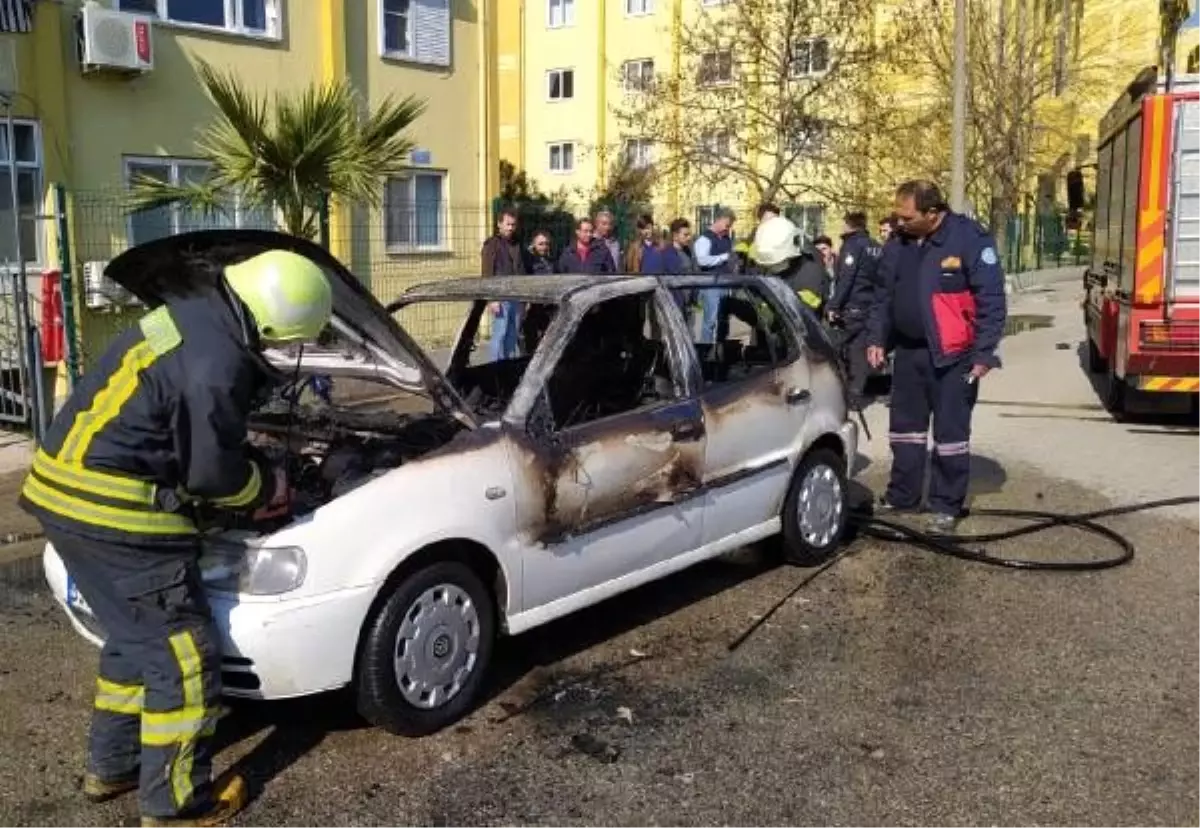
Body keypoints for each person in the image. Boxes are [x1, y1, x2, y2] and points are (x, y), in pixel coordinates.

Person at [19, 249, 334, 826]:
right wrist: (266, 485)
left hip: (59, 490)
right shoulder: (217, 361)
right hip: (114, 512)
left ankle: (112, 767)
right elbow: (211, 476)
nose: (280, 354)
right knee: (184, 656)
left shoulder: (191, 312)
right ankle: (174, 805)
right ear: (270, 322)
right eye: (286, 342)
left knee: (135, 637)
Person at [866, 180, 1007, 533]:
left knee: (950, 435)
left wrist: (984, 352)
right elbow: (882, 295)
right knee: (905, 431)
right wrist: (877, 338)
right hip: (910, 353)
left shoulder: (969, 238)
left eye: (907, 217)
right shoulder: (897, 243)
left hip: (954, 356)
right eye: (897, 216)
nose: (899, 223)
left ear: (932, 213)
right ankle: (903, 496)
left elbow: (991, 299)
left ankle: (946, 505)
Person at [826, 211, 884, 408]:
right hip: (871, 306)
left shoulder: (852, 245)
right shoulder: (876, 247)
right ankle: (860, 394)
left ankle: (836, 393)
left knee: (830, 347)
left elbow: (846, 278)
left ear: (849, 226)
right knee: (861, 351)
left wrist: (834, 304)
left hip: (853, 305)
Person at [481, 207, 527, 361]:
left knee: (512, 335)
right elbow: (487, 273)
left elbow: (522, 268)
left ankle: (505, 367)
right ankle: (495, 369)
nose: (511, 228)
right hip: (500, 296)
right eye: (508, 224)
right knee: (499, 334)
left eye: (513, 225)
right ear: (499, 224)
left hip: (517, 295)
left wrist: (524, 297)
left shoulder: (517, 244)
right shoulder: (492, 244)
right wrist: (492, 299)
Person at [693, 207, 737, 343]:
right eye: (727, 225)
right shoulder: (704, 239)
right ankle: (705, 352)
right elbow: (702, 261)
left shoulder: (726, 239)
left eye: (730, 226)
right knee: (710, 322)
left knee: (723, 320)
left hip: (725, 284)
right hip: (711, 285)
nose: (728, 228)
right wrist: (723, 257)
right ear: (719, 220)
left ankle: (720, 350)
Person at [521, 230, 557, 352]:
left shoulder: (550, 260)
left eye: (546, 244)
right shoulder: (528, 260)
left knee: (548, 342)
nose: (544, 246)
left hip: (549, 307)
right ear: (533, 244)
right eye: (540, 244)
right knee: (531, 342)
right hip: (533, 305)